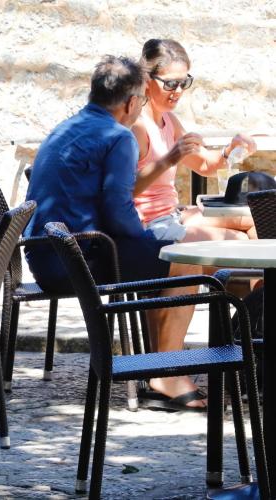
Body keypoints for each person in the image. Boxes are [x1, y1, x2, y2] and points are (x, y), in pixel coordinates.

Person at [24, 55, 206, 410]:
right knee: (184, 261)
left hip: (46, 258)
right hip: (80, 259)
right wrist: (148, 241)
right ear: (131, 102)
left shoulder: (65, 127)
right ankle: (166, 373)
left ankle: (157, 366)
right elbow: (118, 210)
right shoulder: (118, 136)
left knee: (161, 255)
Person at [133, 38, 257, 242]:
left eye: (184, 83)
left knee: (260, 219)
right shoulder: (137, 127)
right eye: (170, 84)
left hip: (173, 215)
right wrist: (170, 159)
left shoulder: (169, 120)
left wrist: (231, 149)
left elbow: (205, 164)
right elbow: (121, 191)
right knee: (238, 241)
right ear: (147, 79)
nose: (178, 91)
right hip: (151, 225)